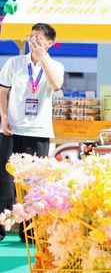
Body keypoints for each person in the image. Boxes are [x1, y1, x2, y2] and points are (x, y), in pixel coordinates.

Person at [0, 23, 64, 242]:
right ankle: (2, 226)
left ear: (50, 43)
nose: (33, 41)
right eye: (31, 36)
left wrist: (43, 58)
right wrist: (3, 117)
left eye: (39, 38)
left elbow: (56, 85)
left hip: (38, 131)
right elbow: (3, 91)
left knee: (34, 183)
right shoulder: (15, 62)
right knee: (6, 180)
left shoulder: (55, 66)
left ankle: (30, 231)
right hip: (12, 130)